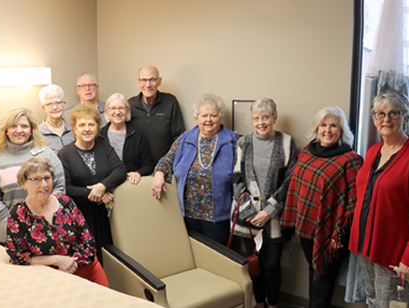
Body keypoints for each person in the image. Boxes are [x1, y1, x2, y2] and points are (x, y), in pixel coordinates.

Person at [281, 106, 363, 308]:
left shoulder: (350, 160)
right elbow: (295, 187)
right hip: (306, 226)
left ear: (341, 130)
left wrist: (341, 235)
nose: (328, 130)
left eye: (333, 126)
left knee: (324, 275)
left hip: (332, 233)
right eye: (323, 125)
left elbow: (355, 204)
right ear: (317, 128)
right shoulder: (308, 152)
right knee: (314, 270)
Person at [350, 90, 409, 308]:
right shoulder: (374, 151)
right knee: (371, 298)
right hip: (365, 244)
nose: (385, 119)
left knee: (387, 305)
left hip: (393, 251)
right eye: (379, 114)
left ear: (406, 118)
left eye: (393, 113)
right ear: (373, 119)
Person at [232, 98, 297, 308]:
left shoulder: (287, 142)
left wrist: (268, 211)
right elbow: (236, 180)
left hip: (275, 217)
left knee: (272, 265)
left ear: (274, 118)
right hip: (247, 217)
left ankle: (273, 304)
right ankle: (259, 302)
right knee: (255, 265)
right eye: (256, 118)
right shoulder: (243, 143)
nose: (261, 122)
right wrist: (250, 213)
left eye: (265, 117)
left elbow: (290, 181)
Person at [5, 158, 109, 287]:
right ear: (23, 184)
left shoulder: (66, 202)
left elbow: (88, 241)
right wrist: (57, 260)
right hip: (50, 280)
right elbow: (18, 257)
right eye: (36, 179)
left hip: (87, 270)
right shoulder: (18, 214)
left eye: (47, 178)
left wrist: (70, 264)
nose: (44, 184)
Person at [151, 93, 235, 245]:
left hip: (219, 217)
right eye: (204, 115)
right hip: (188, 215)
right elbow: (167, 159)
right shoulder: (185, 138)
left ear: (220, 117)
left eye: (213, 115)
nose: (208, 120)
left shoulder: (233, 141)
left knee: (218, 258)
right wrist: (159, 173)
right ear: (197, 117)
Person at [0, 107, 65, 244]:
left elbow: (59, 190)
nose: (19, 130)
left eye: (24, 126)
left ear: (31, 129)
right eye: (13, 126)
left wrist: (42, 222)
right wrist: (14, 225)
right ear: (6, 130)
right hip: (6, 234)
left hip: (46, 231)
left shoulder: (48, 155)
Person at [58, 104, 127, 264]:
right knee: (89, 261)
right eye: (82, 125)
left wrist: (102, 186)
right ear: (74, 129)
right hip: (82, 217)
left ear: (98, 127)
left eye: (91, 124)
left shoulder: (104, 146)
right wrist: (94, 195)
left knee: (113, 258)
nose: (87, 129)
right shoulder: (64, 154)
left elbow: (120, 170)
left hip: (108, 215)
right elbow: (66, 188)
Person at [128, 65, 185, 167]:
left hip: (166, 166)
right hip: (138, 169)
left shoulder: (170, 102)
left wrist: (167, 164)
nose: (148, 85)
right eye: (144, 80)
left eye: (152, 80)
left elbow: (179, 138)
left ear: (159, 81)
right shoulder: (129, 105)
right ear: (138, 82)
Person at [99, 93, 153, 185]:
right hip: (106, 188)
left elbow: (148, 165)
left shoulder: (137, 135)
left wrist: (138, 173)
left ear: (127, 110)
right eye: (113, 108)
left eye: (121, 108)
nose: (117, 112)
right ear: (107, 110)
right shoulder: (100, 136)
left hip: (131, 186)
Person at [38, 84, 75, 153]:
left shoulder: (75, 129)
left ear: (64, 104)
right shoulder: (38, 133)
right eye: (49, 104)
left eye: (58, 103)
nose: (55, 107)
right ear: (43, 108)